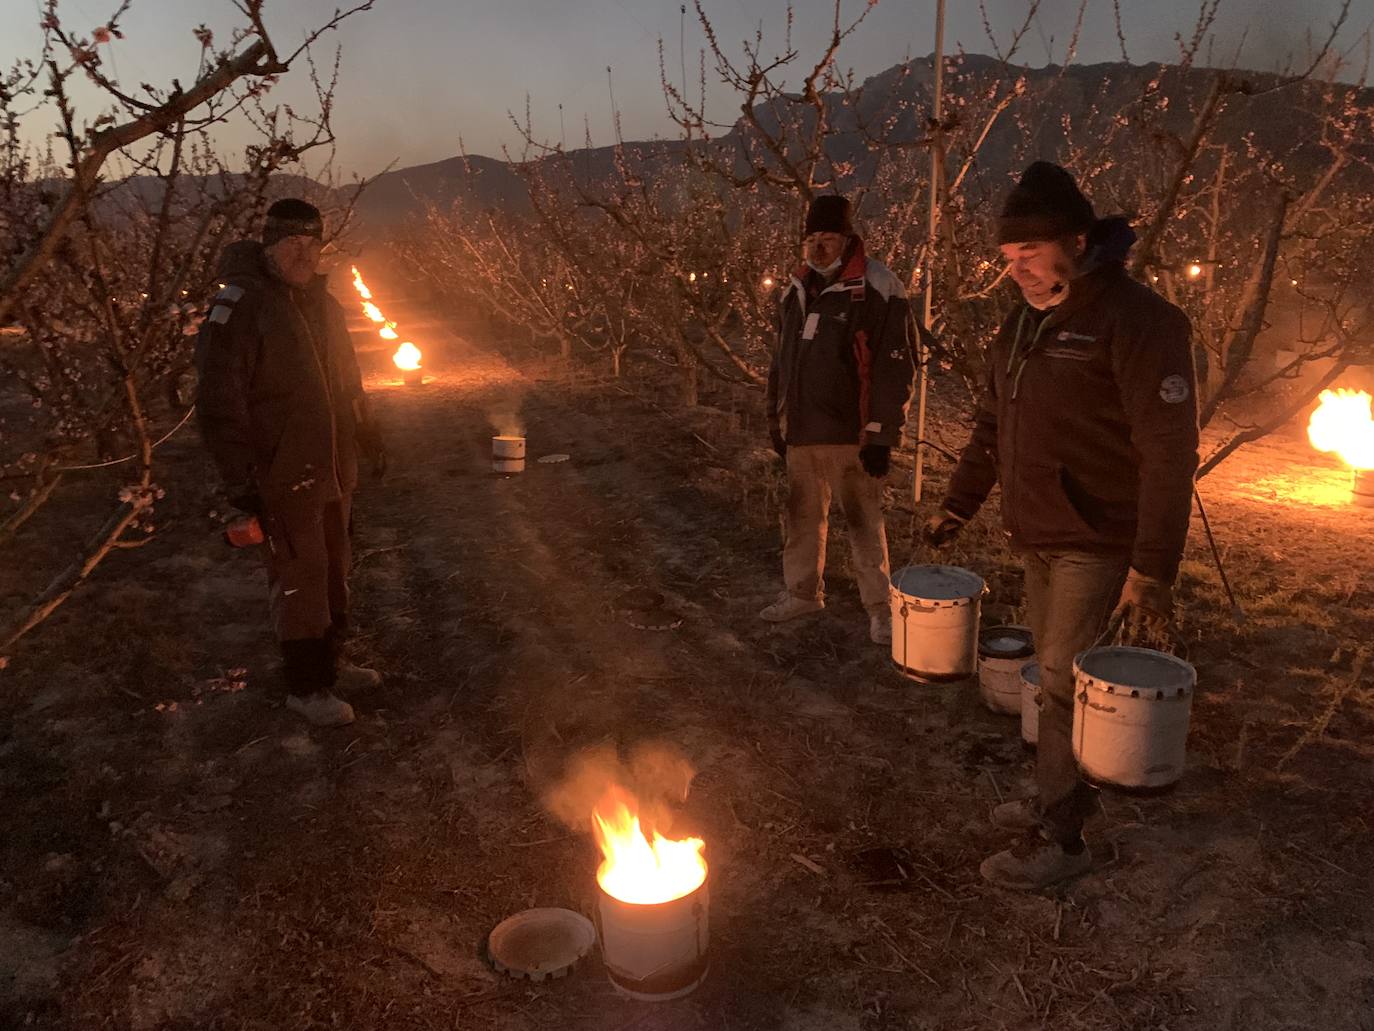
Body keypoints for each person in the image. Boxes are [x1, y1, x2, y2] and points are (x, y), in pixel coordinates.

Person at [925, 162, 1199, 890]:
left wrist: (1154, 568)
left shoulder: (1139, 322)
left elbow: (1170, 452)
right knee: (1050, 682)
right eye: (1008, 258)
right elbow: (993, 422)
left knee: (1056, 681)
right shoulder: (1021, 323)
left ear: (1077, 241)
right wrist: (959, 503)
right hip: (1038, 529)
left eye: (1029, 254)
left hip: (1098, 534)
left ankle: (1062, 837)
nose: (1015, 270)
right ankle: (1055, 790)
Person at [196, 198, 387, 727]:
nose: (304, 254)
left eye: (312, 244)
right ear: (269, 245)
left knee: (334, 568)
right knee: (299, 575)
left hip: (331, 465)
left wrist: (366, 428)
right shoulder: (241, 307)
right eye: (292, 244)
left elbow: (348, 380)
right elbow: (218, 402)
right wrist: (241, 483)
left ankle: (331, 663)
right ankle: (306, 687)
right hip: (280, 470)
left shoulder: (325, 306)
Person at [761, 194, 916, 645]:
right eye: (811, 239)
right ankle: (802, 593)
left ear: (847, 239)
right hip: (803, 432)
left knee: (864, 522)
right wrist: (776, 418)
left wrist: (882, 434)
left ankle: (880, 610)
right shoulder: (795, 289)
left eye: (827, 238)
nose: (818, 248)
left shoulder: (877, 286)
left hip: (852, 433)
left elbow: (895, 365)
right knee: (802, 518)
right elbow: (781, 360)